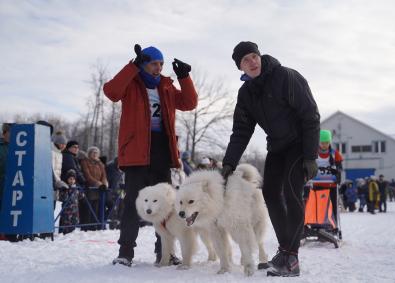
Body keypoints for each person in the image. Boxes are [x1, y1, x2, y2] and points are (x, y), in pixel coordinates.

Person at [221, 41, 320, 277]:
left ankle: (292, 258)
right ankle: (285, 250)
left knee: (292, 191)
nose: (252, 61)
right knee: (270, 193)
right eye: (246, 60)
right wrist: (229, 163)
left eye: (254, 56)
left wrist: (310, 156)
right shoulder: (246, 93)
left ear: (260, 56)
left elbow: (310, 115)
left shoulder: (286, 77)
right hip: (277, 147)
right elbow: (241, 131)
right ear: (240, 68)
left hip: (299, 145)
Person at [103, 43, 197, 266]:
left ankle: (163, 252)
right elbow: (111, 92)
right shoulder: (131, 84)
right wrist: (132, 67)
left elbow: (189, 103)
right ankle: (125, 253)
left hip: (161, 151)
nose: (158, 68)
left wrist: (184, 77)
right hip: (136, 151)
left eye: (161, 64)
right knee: (133, 203)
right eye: (154, 63)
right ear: (143, 65)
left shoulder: (166, 86)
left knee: (164, 205)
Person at [311, 129, 343, 223]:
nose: (324, 145)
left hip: (331, 185)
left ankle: (334, 223)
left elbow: (339, 167)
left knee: (333, 205)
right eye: (322, 143)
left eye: (326, 142)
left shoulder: (334, 153)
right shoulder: (314, 153)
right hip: (317, 184)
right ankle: (318, 223)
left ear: (329, 142)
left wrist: (338, 175)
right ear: (318, 142)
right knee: (318, 206)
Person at [80, 146, 108, 230]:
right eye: (93, 152)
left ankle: (93, 225)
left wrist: (103, 183)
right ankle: (86, 226)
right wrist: (96, 183)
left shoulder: (100, 163)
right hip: (90, 187)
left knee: (96, 207)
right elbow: (87, 175)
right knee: (88, 207)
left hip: (99, 188)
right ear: (89, 153)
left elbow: (104, 175)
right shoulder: (85, 162)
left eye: (96, 153)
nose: (95, 154)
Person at [59, 169, 83, 235]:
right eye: (70, 179)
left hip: (75, 211)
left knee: (73, 226)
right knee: (66, 226)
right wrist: (66, 190)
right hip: (67, 211)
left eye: (73, 179)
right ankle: (63, 233)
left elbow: (81, 196)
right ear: (67, 179)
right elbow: (63, 198)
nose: (72, 181)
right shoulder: (65, 188)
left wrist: (80, 189)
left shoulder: (76, 188)